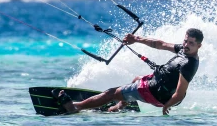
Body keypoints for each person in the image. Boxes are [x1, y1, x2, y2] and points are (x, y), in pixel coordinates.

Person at [56, 28, 203, 115]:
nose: (186, 45)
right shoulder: (184, 51)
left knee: (111, 93)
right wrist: (137, 39)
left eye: (191, 43)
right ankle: (119, 107)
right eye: (185, 41)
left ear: (199, 46)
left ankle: (76, 107)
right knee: (136, 79)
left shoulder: (189, 64)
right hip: (157, 84)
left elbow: (180, 92)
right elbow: (160, 44)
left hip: (154, 91)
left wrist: (166, 107)